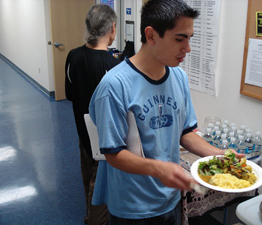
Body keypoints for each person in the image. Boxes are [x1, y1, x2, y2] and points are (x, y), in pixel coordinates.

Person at [89, 0, 245, 224]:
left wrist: (218, 154)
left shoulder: (178, 77)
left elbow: (186, 132)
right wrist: (160, 169)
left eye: (189, 39)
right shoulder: (115, 85)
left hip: (169, 198)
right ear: (151, 35)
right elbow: (113, 154)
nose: (187, 48)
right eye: (180, 39)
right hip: (132, 205)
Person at [65, 4, 120, 225]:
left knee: (87, 171)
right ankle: (94, 219)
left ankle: (90, 212)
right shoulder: (114, 67)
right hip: (104, 136)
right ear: (112, 28)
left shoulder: (73, 56)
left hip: (82, 128)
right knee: (100, 184)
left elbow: (70, 94)